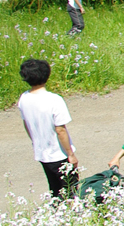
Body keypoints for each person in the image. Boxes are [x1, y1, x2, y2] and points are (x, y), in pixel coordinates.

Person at [17, 58, 79, 200]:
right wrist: (70, 154)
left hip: (41, 152)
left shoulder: (24, 99)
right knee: (70, 190)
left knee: (54, 189)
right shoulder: (54, 100)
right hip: (59, 154)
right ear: (47, 75)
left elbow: (27, 124)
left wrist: (35, 141)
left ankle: (57, 213)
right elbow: (60, 130)